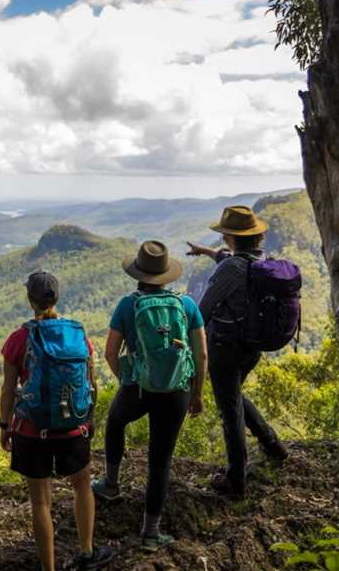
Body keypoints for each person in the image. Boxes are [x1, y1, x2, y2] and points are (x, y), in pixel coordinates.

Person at [91, 240, 207, 551]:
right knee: (161, 460)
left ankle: (111, 484)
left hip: (138, 388)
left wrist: (127, 379)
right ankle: (151, 532)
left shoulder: (128, 305)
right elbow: (202, 355)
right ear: (167, 275)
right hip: (177, 390)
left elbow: (110, 353)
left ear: (138, 274)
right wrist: (197, 394)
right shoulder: (187, 306)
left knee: (115, 422)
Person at [0, 271, 115, 571]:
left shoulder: (19, 338)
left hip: (32, 430)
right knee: (82, 486)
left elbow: (9, 389)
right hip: (73, 426)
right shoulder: (77, 334)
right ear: (57, 298)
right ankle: (87, 553)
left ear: (30, 300)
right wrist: (88, 420)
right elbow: (91, 383)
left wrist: (4, 425)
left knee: (41, 501)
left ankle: (48, 567)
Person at [187, 205, 289, 498]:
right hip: (252, 347)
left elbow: (202, 311)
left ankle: (236, 481)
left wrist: (187, 343)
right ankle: (273, 445)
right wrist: (206, 251)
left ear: (230, 237)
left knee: (229, 409)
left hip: (226, 348)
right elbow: (231, 260)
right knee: (233, 395)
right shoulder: (263, 261)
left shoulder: (230, 268)